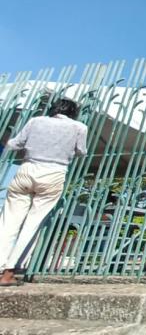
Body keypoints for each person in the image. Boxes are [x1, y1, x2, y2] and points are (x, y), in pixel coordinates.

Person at [0, 99, 88, 286]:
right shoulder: (79, 127)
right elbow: (81, 151)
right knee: (33, 224)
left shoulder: (35, 121)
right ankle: (9, 272)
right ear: (74, 112)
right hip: (54, 173)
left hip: (27, 169)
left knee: (8, 222)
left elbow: (15, 144)